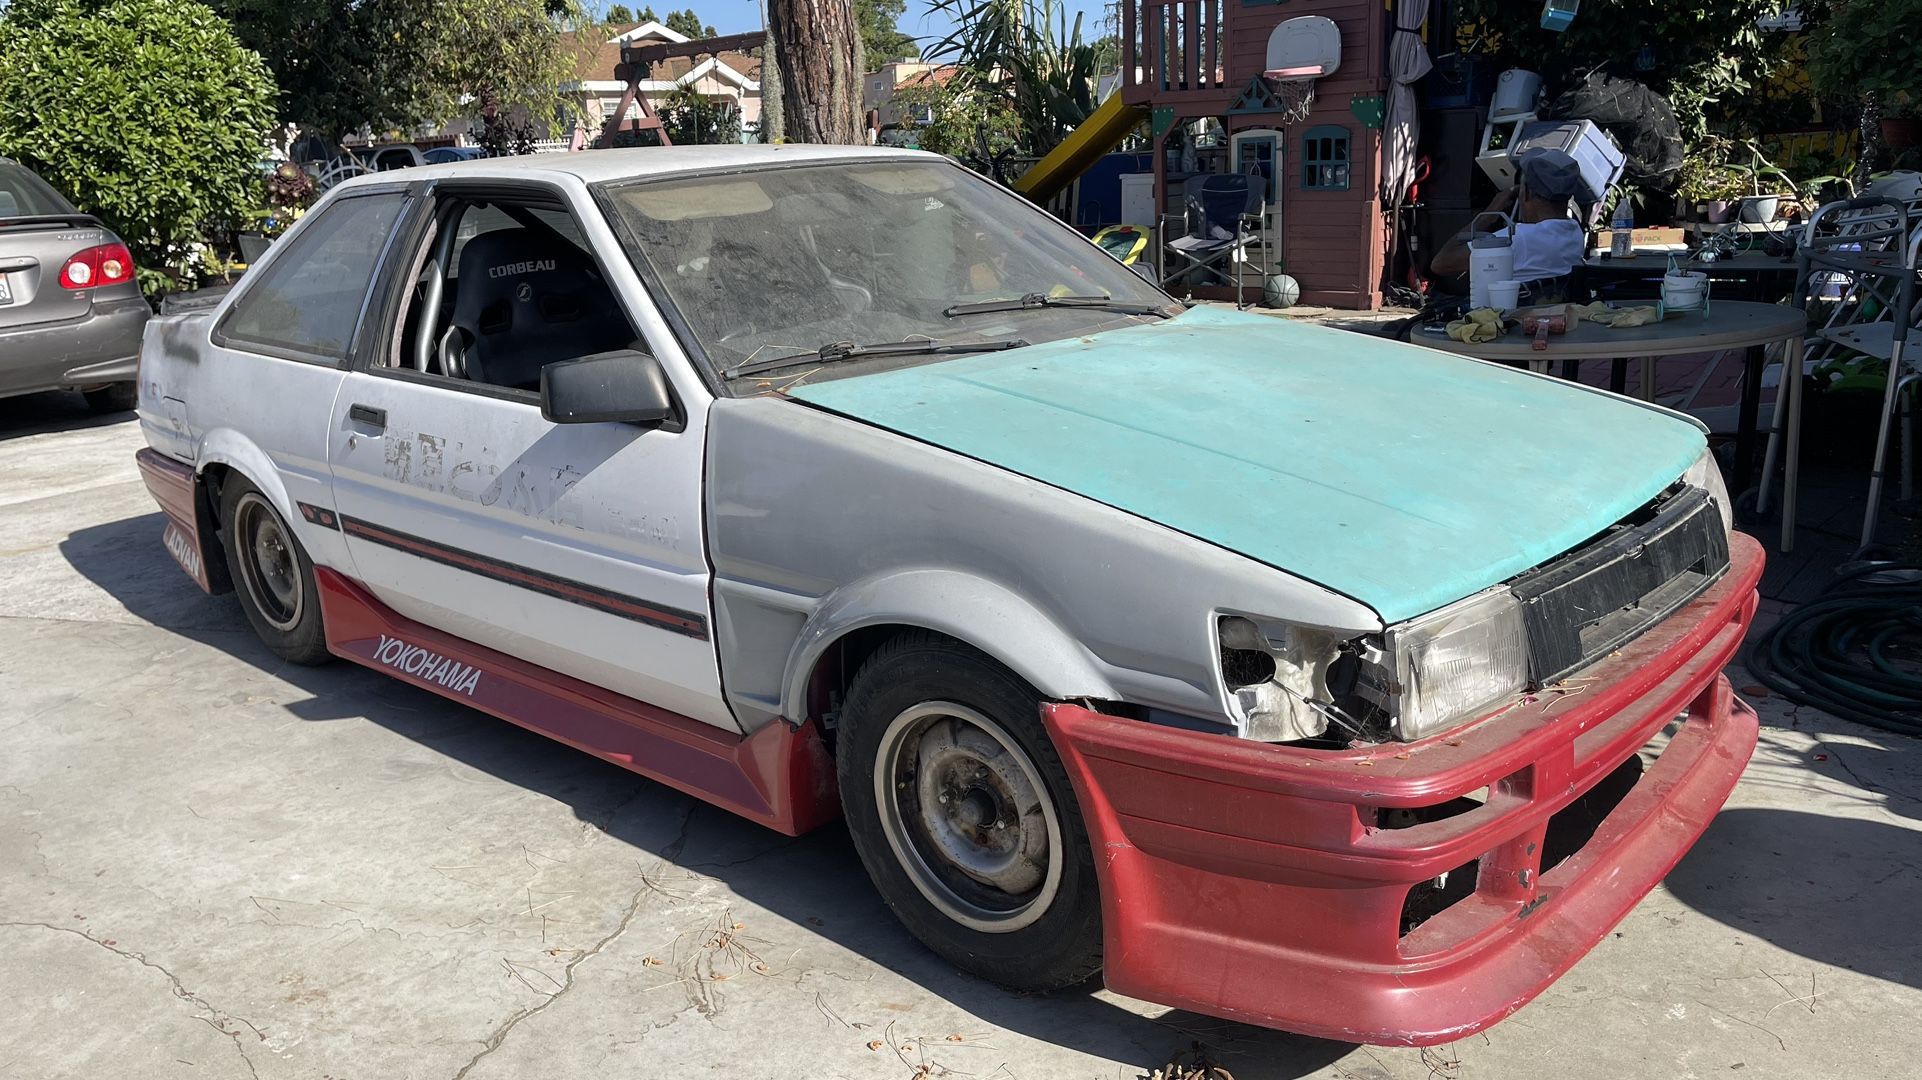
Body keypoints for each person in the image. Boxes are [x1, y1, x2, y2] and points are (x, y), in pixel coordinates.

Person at [1430, 152, 1590, 303]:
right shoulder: (1575, 233)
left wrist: (1489, 214)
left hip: (1511, 323)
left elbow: (1440, 263)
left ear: (1525, 192)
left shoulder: (1517, 239)